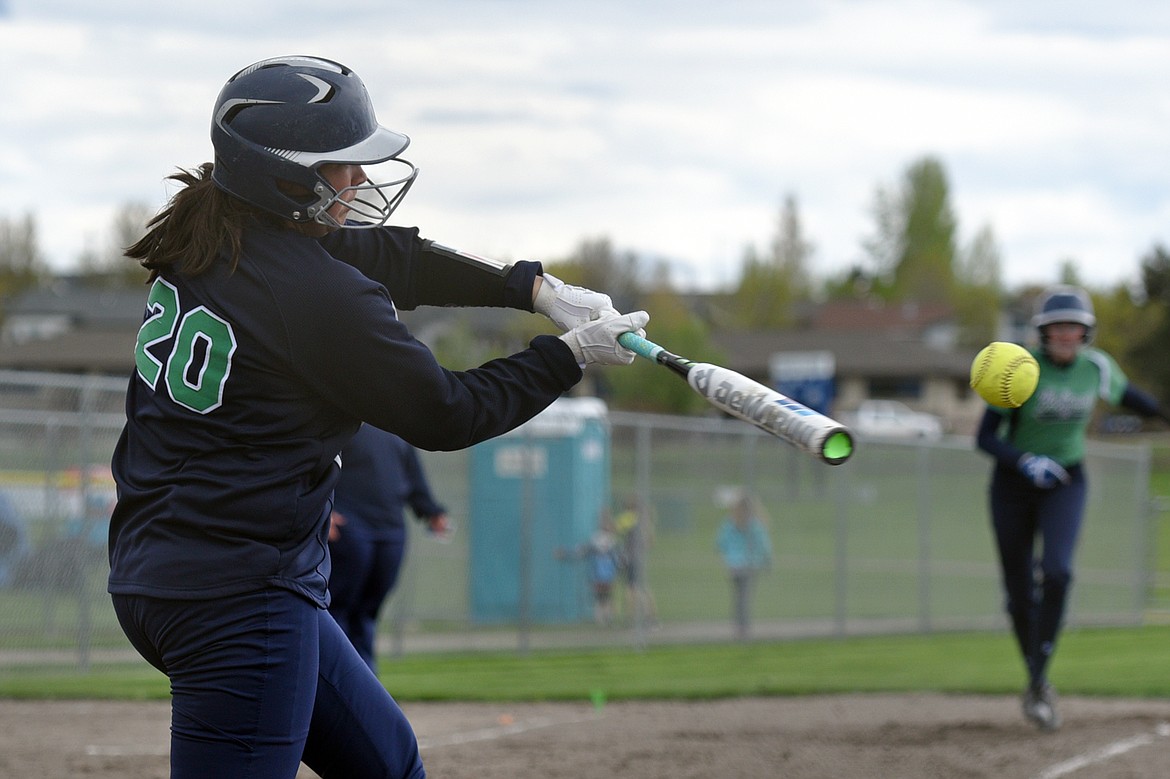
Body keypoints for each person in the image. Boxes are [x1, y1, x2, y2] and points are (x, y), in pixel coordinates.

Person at [107, 55, 648, 779]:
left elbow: (396, 257)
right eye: (342, 165)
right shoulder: (318, 295)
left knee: (389, 764)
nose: (358, 181)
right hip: (236, 597)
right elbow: (447, 412)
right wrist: (567, 355)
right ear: (283, 177)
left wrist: (533, 288)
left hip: (167, 571)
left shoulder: (206, 235)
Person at [975, 284, 1167, 733]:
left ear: (1086, 333)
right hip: (1013, 485)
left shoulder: (1096, 369)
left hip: (1066, 480)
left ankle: (1039, 683)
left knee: (1058, 572)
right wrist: (1024, 460)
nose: (1065, 334)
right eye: (1057, 327)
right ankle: (1037, 682)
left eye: (1074, 327)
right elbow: (984, 437)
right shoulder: (1019, 369)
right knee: (1020, 594)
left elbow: (1142, 402)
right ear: (1043, 332)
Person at [327, 424, 450, 673]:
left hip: (390, 529)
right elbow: (316, 466)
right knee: (337, 610)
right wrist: (323, 511)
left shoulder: (395, 422)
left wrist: (431, 511)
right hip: (350, 527)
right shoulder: (342, 420)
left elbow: (412, 474)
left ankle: (365, 681)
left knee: (367, 612)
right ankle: (332, 682)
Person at [715, 490, 773, 640]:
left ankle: (741, 625)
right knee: (743, 597)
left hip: (740, 565)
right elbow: (764, 545)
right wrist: (767, 561)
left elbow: (720, 543)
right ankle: (743, 625)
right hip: (746, 565)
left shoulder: (737, 524)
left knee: (740, 597)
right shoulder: (752, 525)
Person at [554, 509, 622, 626]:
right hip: (600, 573)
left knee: (604, 597)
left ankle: (605, 619)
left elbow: (581, 552)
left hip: (605, 573)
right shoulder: (602, 539)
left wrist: (565, 554)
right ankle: (604, 619)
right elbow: (582, 551)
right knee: (602, 597)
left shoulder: (606, 540)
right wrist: (565, 554)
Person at [613, 494, 658, 627]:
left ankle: (632, 618)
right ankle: (650, 617)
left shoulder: (631, 518)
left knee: (631, 589)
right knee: (642, 588)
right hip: (639, 558)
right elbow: (651, 542)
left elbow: (614, 527)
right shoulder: (646, 521)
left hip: (632, 558)